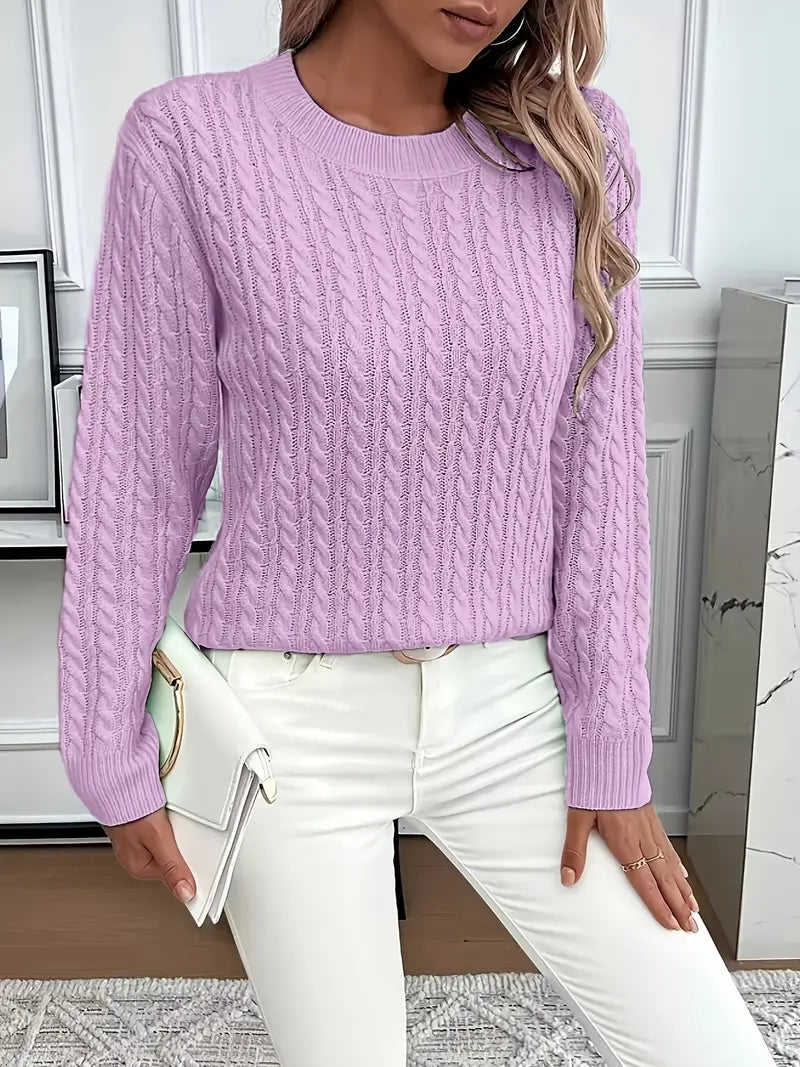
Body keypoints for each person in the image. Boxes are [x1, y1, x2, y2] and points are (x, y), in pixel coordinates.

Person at [56, 1, 777, 1065]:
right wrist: (105, 748)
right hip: (288, 731)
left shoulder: (571, 144)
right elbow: (136, 470)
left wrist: (613, 746)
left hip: (516, 707)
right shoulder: (191, 141)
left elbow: (599, 469)